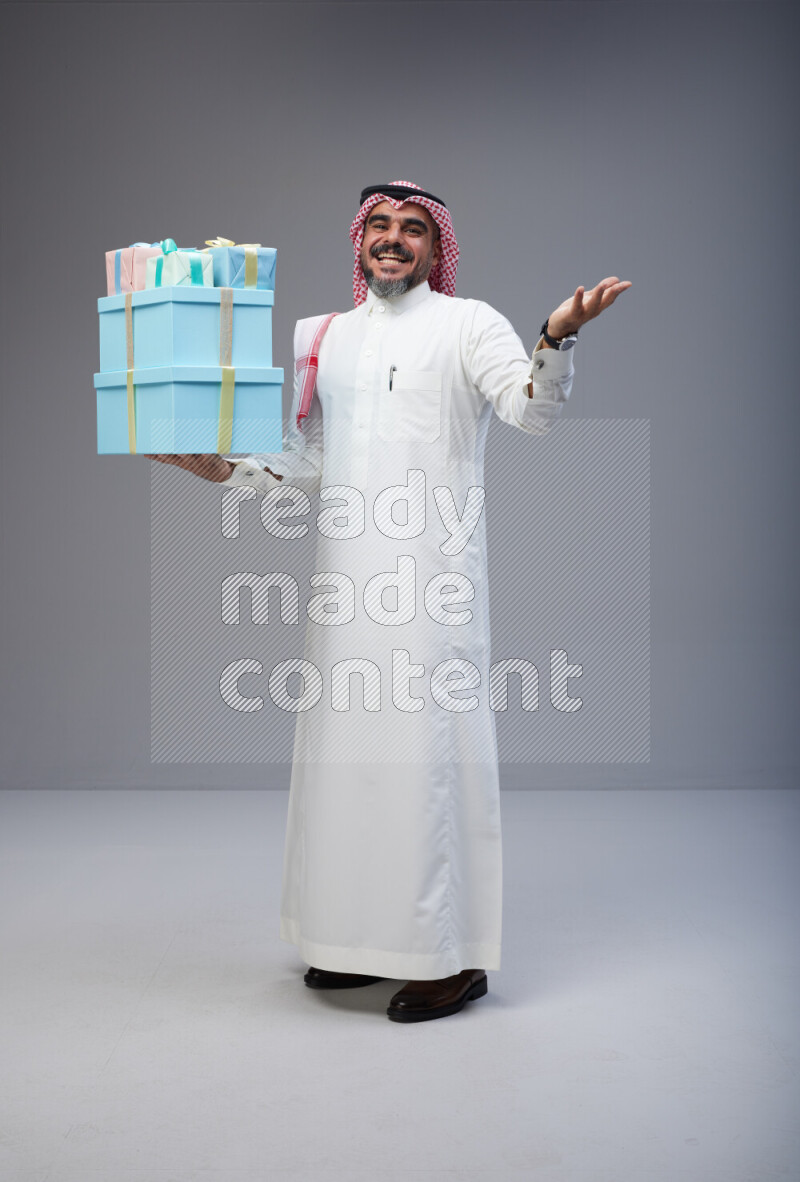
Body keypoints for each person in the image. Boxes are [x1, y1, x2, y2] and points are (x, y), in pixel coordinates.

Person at [148, 180, 631, 1023]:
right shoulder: (322, 337)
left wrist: (557, 336)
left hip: (431, 583)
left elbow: (532, 413)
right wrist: (226, 471)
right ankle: (353, 943)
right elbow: (310, 460)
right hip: (346, 585)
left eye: (414, 229)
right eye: (381, 225)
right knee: (347, 764)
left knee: (426, 765)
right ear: (359, 238)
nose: (395, 239)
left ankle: (449, 960)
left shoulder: (468, 323)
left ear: (436, 248)